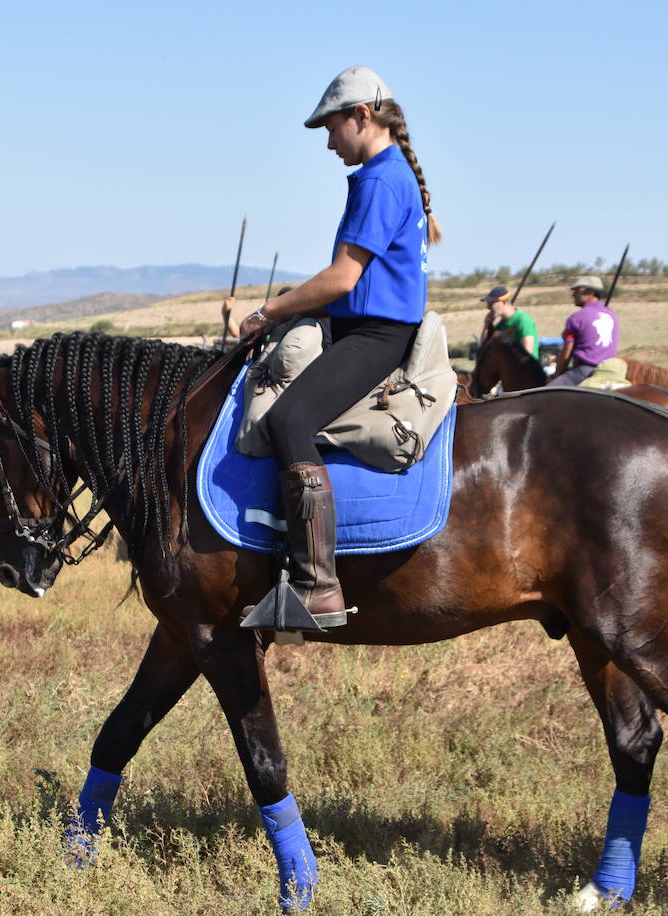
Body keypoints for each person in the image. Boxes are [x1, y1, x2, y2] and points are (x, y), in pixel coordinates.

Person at [228, 65, 441, 631]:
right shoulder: (387, 173)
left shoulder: (379, 178)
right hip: (360, 327)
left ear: (361, 116)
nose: (327, 141)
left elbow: (343, 278)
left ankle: (317, 586)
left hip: (376, 337)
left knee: (290, 418)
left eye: (330, 128)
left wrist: (267, 310)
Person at [548, 276, 618, 386]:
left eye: (577, 291)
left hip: (586, 371)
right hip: (612, 370)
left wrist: (556, 375)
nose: (573, 294)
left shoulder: (576, 318)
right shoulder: (612, 315)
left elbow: (566, 355)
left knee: (546, 395)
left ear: (590, 292)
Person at [483, 286, 538, 359]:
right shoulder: (500, 326)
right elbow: (484, 348)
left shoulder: (523, 320)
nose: (488, 307)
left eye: (491, 303)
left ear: (503, 302)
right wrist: (486, 325)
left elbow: (527, 354)